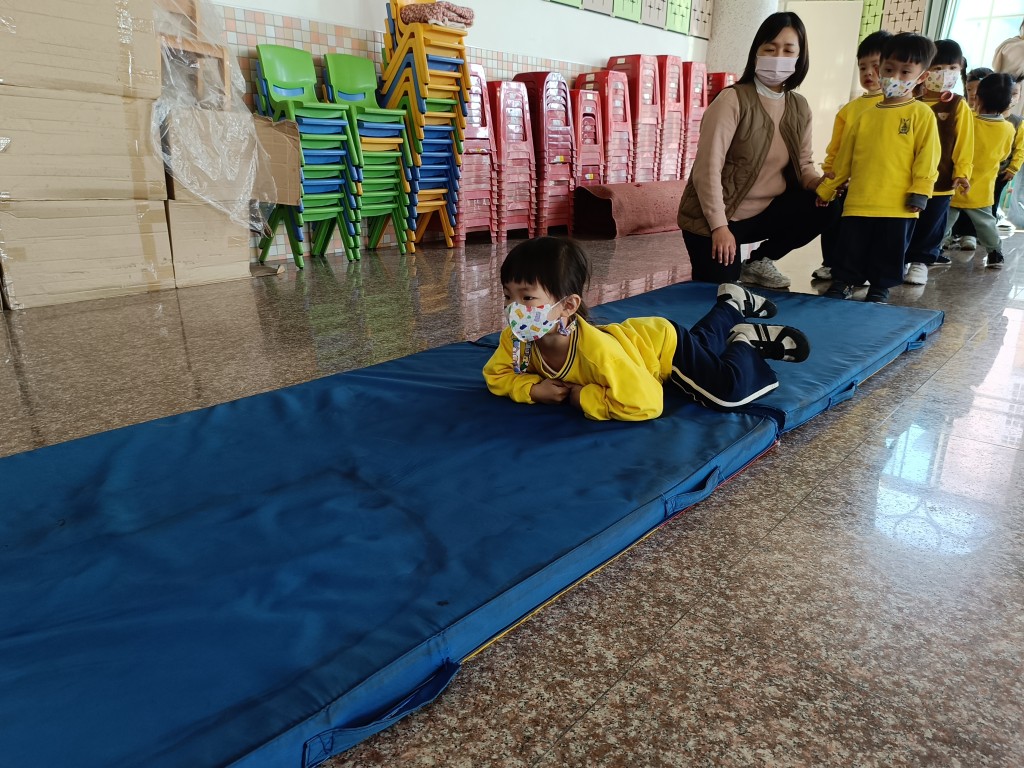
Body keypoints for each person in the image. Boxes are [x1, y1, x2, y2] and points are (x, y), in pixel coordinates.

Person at [482, 237, 810, 422]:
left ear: (568, 306)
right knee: (703, 345)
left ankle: (744, 340)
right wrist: (530, 389)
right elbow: (497, 374)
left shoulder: (597, 353)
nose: (514, 309)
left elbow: (647, 402)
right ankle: (732, 303)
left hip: (664, 349)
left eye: (528, 298)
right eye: (508, 296)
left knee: (725, 394)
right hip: (644, 338)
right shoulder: (519, 339)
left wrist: (586, 397)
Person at [677, 11, 838, 289]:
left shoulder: (799, 106)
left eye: (788, 50)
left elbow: (804, 165)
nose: (778, 57)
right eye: (770, 49)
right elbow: (707, 169)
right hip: (716, 218)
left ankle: (759, 262)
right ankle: (725, 250)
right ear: (756, 53)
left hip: (765, 212)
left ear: (800, 57)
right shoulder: (732, 99)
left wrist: (819, 183)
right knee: (721, 293)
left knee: (827, 206)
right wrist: (719, 226)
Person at [816, 33, 940, 303]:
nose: (894, 77)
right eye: (889, 69)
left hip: (897, 205)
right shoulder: (865, 115)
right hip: (859, 200)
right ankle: (844, 281)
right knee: (851, 246)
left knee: (888, 250)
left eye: (905, 72)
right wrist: (828, 188)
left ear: (921, 77)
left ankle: (880, 287)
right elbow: (844, 159)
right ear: (879, 68)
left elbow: (928, 157)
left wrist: (921, 191)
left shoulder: (921, 114)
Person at [813, 29, 892, 281]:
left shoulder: (900, 109)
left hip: (881, 184)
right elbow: (836, 147)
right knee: (836, 221)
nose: (868, 73)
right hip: (846, 181)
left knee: (871, 230)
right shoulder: (849, 109)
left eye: (876, 66)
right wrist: (829, 173)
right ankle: (831, 263)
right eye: (862, 67)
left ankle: (866, 268)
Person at [903, 39, 974, 287]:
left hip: (942, 179)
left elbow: (965, 143)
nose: (945, 74)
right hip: (908, 177)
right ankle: (900, 257)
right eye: (939, 67)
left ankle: (921, 261)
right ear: (925, 71)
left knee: (932, 222)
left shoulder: (957, 105)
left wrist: (962, 172)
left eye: (953, 68)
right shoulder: (911, 102)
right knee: (905, 219)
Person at [944, 73, 1017, 269]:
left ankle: (934, 249)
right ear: (1008, 103)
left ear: (978, 97)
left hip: (956, 181)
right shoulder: (1008, 129)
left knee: (943, 221)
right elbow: (1003, 155)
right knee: (986, 223)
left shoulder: (967, 119)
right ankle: (995, 253)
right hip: (983, 186)